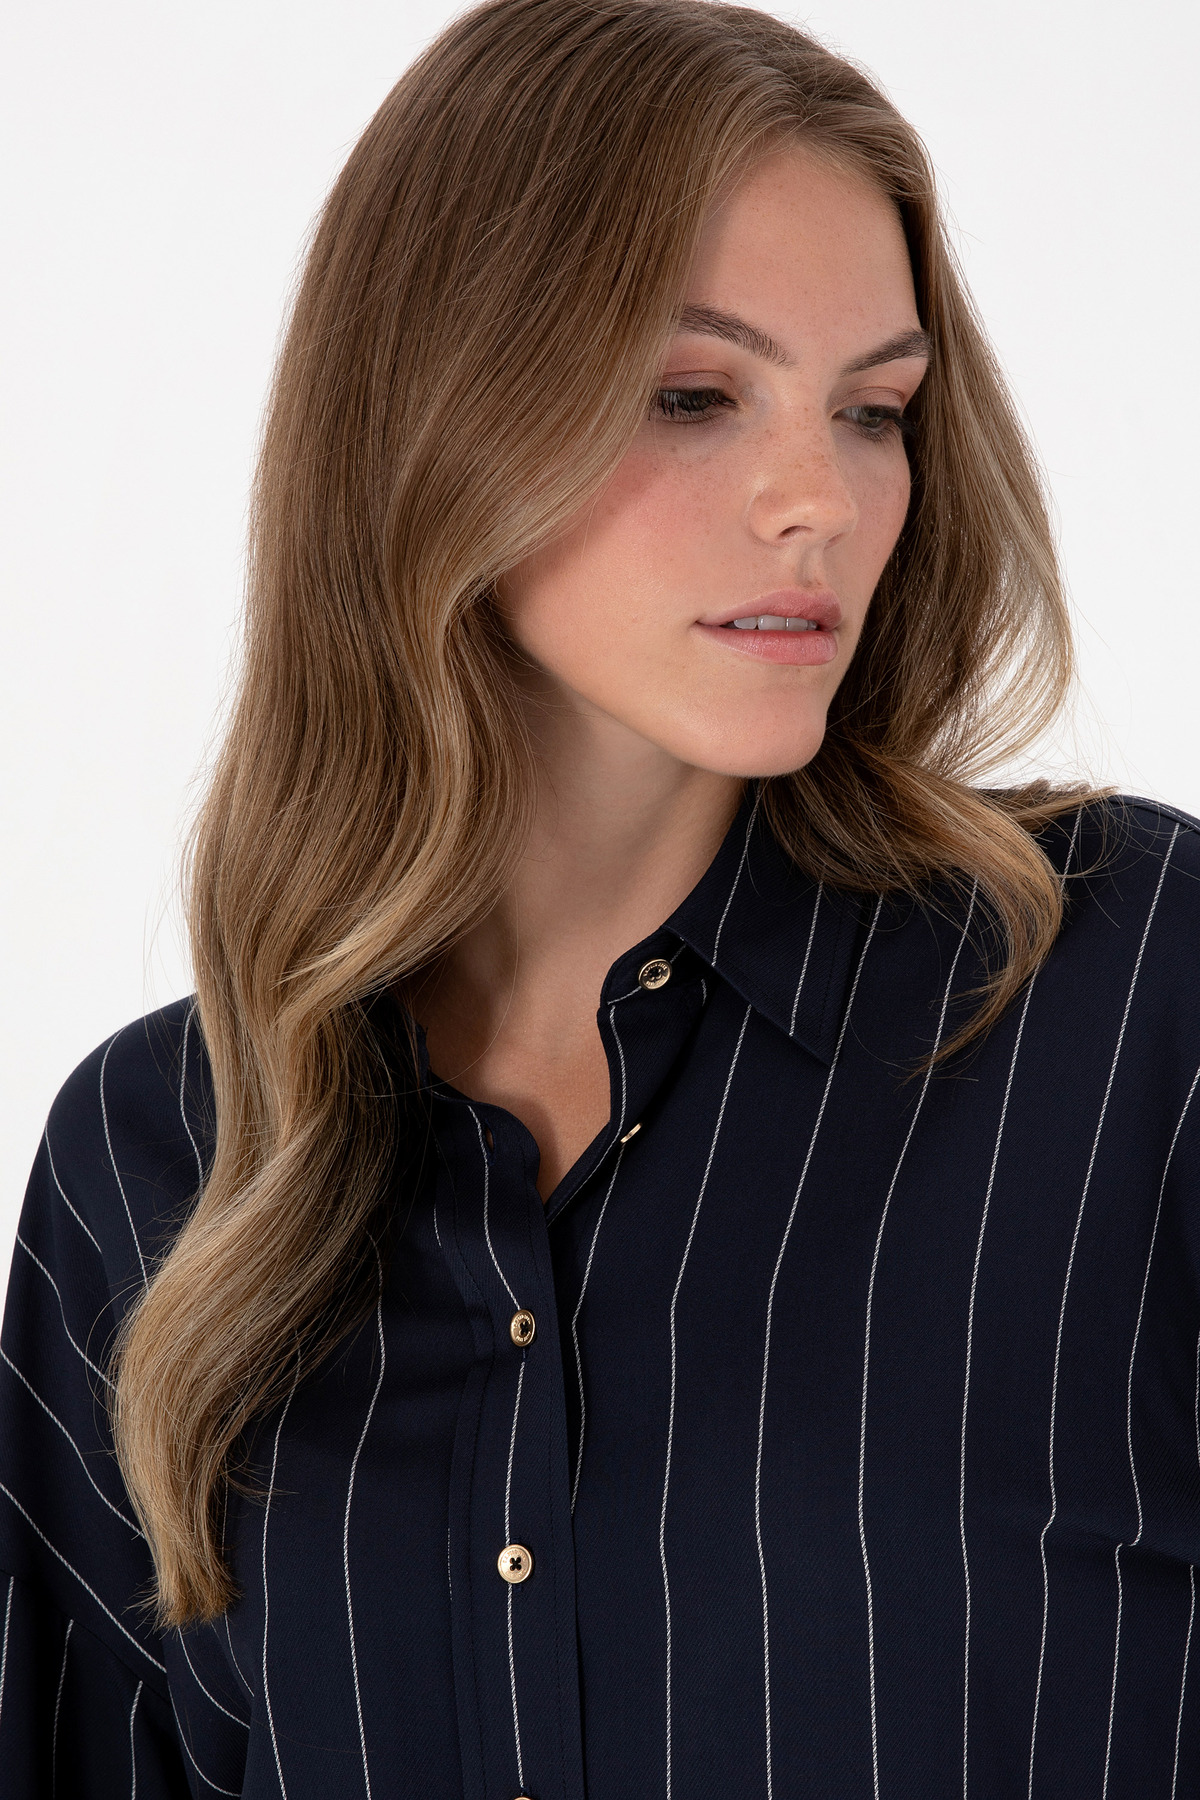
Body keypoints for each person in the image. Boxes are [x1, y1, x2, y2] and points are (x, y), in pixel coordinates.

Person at [3, 0, 1199, 1792]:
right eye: (693, 396)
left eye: (875, 411)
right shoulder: (157, 1161)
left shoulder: (1136, 1000)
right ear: (435, 420)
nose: (820, 502)